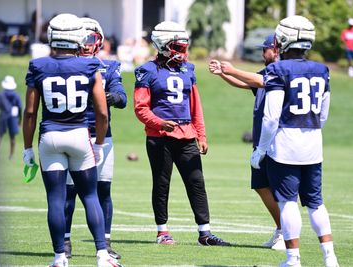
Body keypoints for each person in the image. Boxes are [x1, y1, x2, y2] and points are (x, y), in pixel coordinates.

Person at [22, 13, 122, 267]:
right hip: (79, 135)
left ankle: (59, 257)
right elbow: (101, 113)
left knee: (56, 198)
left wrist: (26, 148)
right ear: (77, 37)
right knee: (90, 195)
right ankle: (102, 254)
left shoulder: (38, 65)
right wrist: (99, 143)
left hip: (50, 137)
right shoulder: (90, 66)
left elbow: (30, 112)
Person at [250, 15, 339, 267]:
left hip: (285, 146)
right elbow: (323, 114)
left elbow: (270, 117)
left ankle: (293, 259)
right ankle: (330, 258)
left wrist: (261, 150)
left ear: (285, 40)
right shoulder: (322, 69)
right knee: (316, 203)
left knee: (288, 202)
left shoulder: (277, 69)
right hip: (313, 144)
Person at [133, 21, 230, 246]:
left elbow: (196, 105)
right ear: (162, 45)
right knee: (162, 182)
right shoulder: (147, 71)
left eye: (183, 46)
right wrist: (158, 123)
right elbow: (140, 107)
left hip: (186, 133)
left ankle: (205, 233)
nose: (182, 51)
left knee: (196, 182)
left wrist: (202, 135)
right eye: (176, 47)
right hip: (160, 137)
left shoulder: (188, 69)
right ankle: (162, 231)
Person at [208, 35, 285, 250]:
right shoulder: (266, 73)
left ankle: (286, 233)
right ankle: (281, 229)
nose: (262, 54)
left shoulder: (280, 74)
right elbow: (245, 82)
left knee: (278, 188)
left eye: (265, 49)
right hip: (261, 141)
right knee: (260, 185)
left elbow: (256, 80)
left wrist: (231, 69)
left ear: (276, 49)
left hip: (275, 141)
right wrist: (223, 73)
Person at [64, 17, 127, 260]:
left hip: (102, 136)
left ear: (98, 41)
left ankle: (105, 242)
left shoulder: (108, 67)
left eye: (90, 38)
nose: (86, 43)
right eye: (82, 37)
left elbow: (122, 97)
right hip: (73, 133)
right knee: (69, 192)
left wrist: (111, 97)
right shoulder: (65, 66)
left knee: (103, 191)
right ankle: (65, 242)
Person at [0, 75, 22, 159]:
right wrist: (20, 120)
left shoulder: (1, 95)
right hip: (13, 117)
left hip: (3, 115)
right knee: (12, 137)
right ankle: (11, 155)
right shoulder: (16, 95)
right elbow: (20, 107)